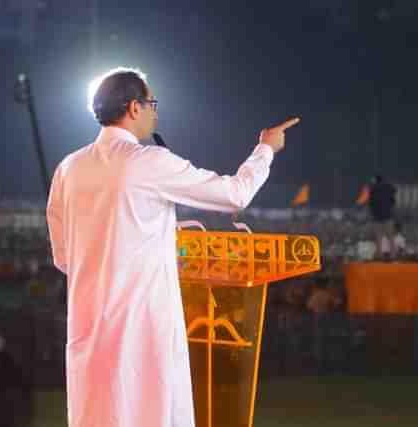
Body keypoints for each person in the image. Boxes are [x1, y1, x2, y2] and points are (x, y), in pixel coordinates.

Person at [46, 67, 299, 427]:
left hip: (90, 328)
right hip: (142, 327)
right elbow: (234, 194)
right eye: (152, 103)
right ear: (134, 107)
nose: (155, 112)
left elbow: (63, 256)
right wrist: (265, 149)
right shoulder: (147, 162)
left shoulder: (68, 168)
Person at [367, 175, 397, 259]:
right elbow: (393, 200)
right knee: (390, 236)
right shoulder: (389, 188)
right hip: (388, 216)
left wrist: (373, 212)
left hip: (377, 217)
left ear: (376, 180)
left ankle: (379, 255)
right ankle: (393, 255)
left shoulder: (373, 189)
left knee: (378, 237)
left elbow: (371, 203)